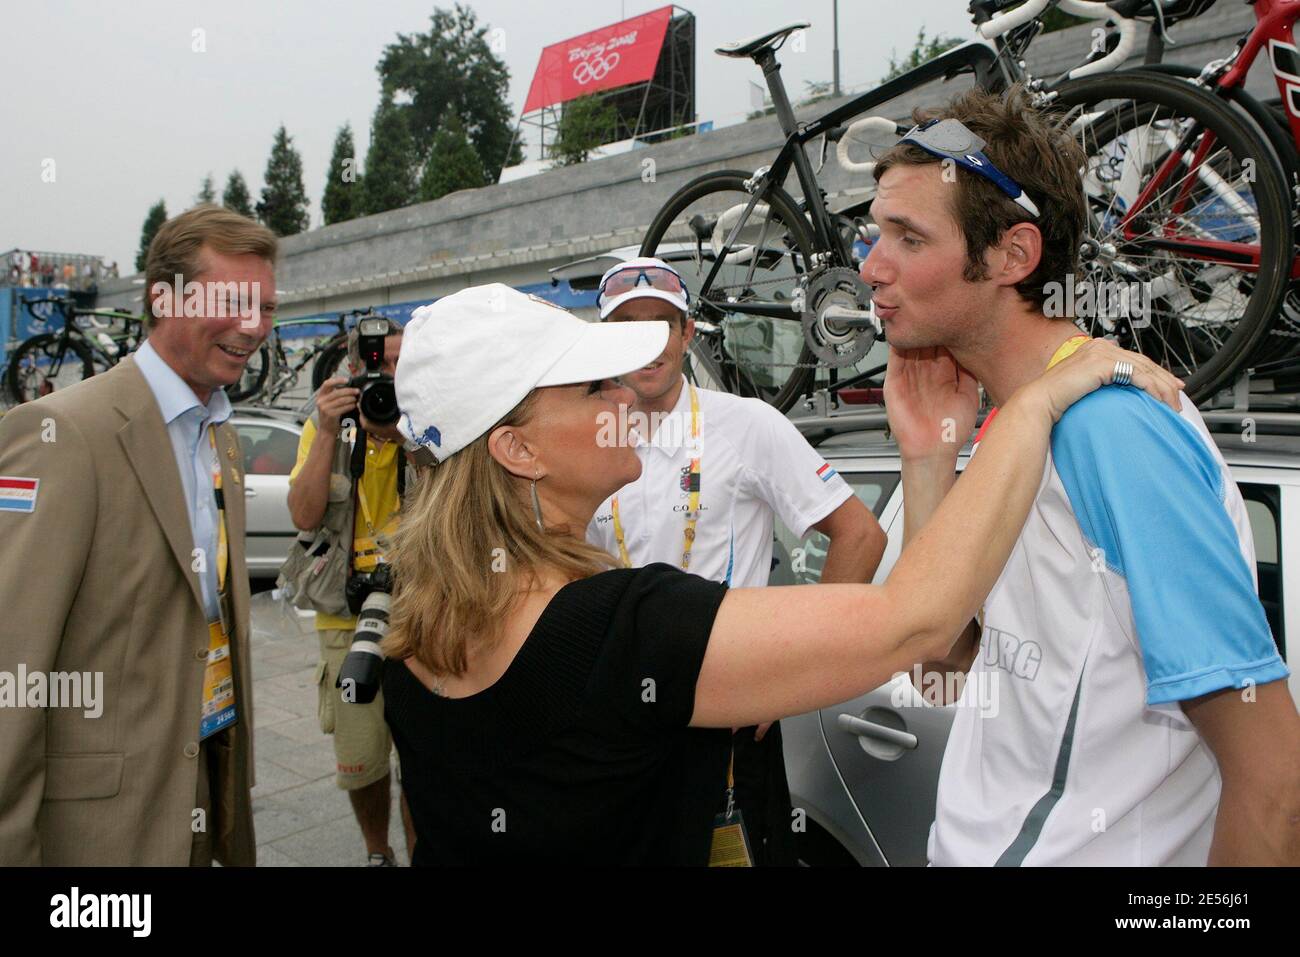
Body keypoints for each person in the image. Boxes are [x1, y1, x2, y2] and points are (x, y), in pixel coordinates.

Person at [380, 282, 1178, 866]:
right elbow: (918, 620)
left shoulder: (420, 626)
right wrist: (1038, 403)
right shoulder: (624, 624)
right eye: (593, 388)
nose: (624, 395)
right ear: (517, 449)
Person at [864, 87, 1299, 865]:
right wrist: (929, 457)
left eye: (907, 237)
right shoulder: (1019, 417)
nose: (871, 268)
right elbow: (937, 672)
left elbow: (1274, 779)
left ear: (1013, 256)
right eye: (875, 235)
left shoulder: (1112, 428)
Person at [585, 257, 887, 865]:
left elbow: (860, 535)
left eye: (661, 325)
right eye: (627, 329)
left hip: (725, 714)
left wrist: (794, 675)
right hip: (622, 719)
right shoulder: (588, 436)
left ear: (688, 333)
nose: (647, 344)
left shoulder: (745, 424)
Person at [0, 204, 276, 865]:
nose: (253, 325)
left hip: (204, 793)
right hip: (101, 834)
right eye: (233, 299)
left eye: (266, 305)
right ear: (162, 298)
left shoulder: (223, 435)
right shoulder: (62, 433)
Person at [287, 318, 416, 867]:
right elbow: (304, 514)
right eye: (375, 365)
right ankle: (376, 853)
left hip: (421, 612)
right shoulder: (330, 427)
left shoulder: (429, 423)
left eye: (397, 365)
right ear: (352, 368)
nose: (384, 377)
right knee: (361, 759)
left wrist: (401, 435)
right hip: (346, 615)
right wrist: (327, 427)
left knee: (424, 758)